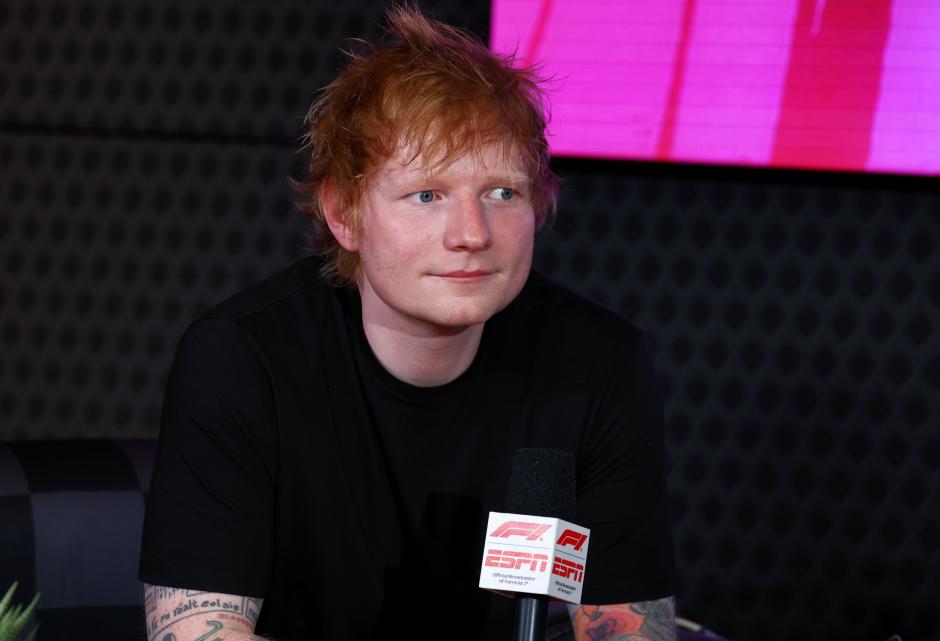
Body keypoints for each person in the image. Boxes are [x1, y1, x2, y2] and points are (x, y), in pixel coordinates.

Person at [138, 6, 675, 641]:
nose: (472, 235)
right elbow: (201, 630)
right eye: (427, 195)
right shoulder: (242, 357)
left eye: (502, 193)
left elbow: (631, 627)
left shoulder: (599, 362)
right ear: (345, 214)